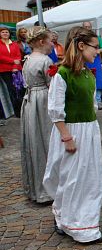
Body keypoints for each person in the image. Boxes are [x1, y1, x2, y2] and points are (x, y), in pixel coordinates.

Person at [42, 27, 102, 244]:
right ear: (81, 46)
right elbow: (55, 109)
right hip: (71, 132)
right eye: (95, 47)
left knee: (90, 179)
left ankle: (82, 221)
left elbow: (91, 106)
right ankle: (72, 222)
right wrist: (67, 137)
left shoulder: (88, 74)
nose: (98, 51)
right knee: (72, 178)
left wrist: (94, 132)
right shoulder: (63, 74)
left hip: (88, 130)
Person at [21, 27, 54, 204]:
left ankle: (35, 188)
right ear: (41, 42)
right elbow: (52, 85)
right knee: (46, 140)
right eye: (50, 41)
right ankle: (47, 189)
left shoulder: (28, 59)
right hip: (42, 101)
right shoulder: (45, 60)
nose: (52, 44)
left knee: (34, 141)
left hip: (30, 101)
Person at [82, 22, 102, 110]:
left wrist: (98, 50)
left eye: (89, 27)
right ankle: (87, 101)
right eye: (85, 27)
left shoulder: (96, 37)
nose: (87, 28)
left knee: (98, 79)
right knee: (84, 79)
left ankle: (98, 100)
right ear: (83, 27)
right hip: (85, 61)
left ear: (91, 27)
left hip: (95, 60)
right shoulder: (80, 38)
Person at [0, 25, 23, 119]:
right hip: (5, 70)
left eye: (6, 32)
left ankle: (22, 110)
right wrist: (13, 61)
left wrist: (15, 67)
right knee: (12, 90)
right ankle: (17, 112)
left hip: (16, 69)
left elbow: (18, 56)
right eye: (3, 32)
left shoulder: (14, 44)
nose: (5, 33)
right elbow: (1, 57)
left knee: (20, 90)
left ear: (9, 34)